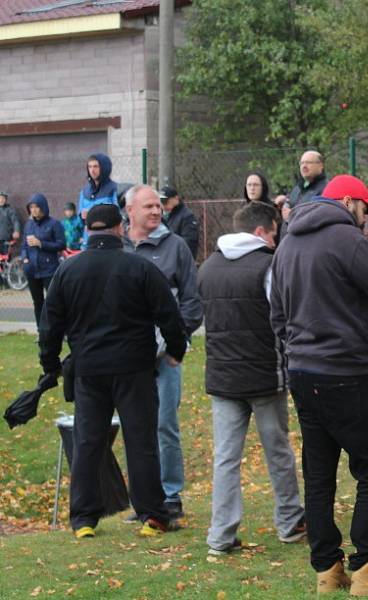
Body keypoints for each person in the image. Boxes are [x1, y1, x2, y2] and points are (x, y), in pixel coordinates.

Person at [270, 174, 368, 595]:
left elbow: (276, 313)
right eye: (364, 209)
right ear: (347, 201)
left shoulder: (288, 242)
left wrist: (300, 350)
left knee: (319, 473)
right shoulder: (348, 240)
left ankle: (327, 571)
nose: (366, 218)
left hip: (303, 371)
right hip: (348, 371)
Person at [38, 204, 187, 539]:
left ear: (88, 230)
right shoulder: (140, 268)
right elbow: (169, 315)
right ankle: (152, 514)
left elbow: (50, 325)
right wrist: (175, 350)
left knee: (89, 441)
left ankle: (84, 518)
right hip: (134, 367)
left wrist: (50, 365)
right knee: (141, 441)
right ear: (120, 228)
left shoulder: (68, 270)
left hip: (89, 369)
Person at [198, 202, 305, 555]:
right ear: (261, 231)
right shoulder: (269, 266)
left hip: (223, 376)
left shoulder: (208, 267)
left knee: (226, 458)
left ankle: (220, 535)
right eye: (276, 232)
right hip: (264, 375)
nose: (278, 239)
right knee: (279, 453)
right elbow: (285, 317)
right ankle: (290, 522)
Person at [124, 184, 203, 520]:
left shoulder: (176, 247)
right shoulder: (120, 248)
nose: (156, 212)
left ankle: (171, 495)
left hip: (166, 356)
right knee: (135, 426)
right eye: (149, 207)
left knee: (165, 425)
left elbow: (191, 298)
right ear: (130, 211)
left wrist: (177, 343)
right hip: (127, 355)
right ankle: (144, 498)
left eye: (158, 206)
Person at [20, 194, 65, 328]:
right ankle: (41, 331)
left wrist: (41, 244)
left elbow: (61, 244)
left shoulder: (54, 224)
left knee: (54, 302)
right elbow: (24, 245)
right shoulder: (28, 225)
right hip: (32, 270)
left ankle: (58, 330)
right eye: (31, 207)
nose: (33, 210)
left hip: (49, 269)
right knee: (37, 302)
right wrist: (25, 259)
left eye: (36, 207)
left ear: (43, 207)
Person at [77, 153, 117, 249]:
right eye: (90, 166)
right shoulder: (84, 192)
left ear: (104, 167)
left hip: (108, 243)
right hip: (88, 243)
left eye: (96, 166)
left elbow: (118, 216)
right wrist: (82, 217)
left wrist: (94, 214)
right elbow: (79, 222)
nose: (92, 170)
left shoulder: (114, 189)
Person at [160, 186, 200, 259]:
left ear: (176, 198)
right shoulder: (165, 215)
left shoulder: (187, 216)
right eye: (161, 201)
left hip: (180, 259)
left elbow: (189, 243)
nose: (163, 204)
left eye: (166, 201)